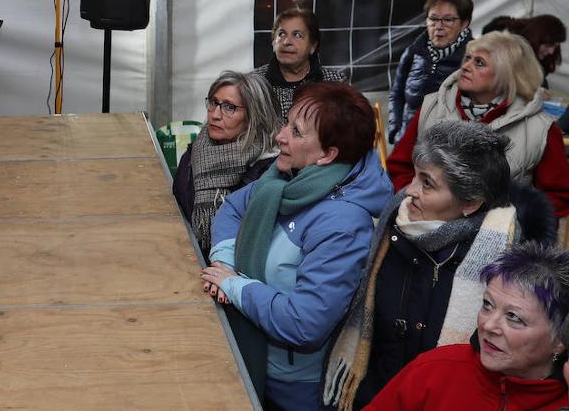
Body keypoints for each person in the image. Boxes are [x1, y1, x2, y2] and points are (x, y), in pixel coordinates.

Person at [323, 121, 557, 411]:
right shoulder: (394, 225)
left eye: (427, 183)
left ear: (469, 203)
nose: (409, 190)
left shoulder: (505, 264)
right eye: (415, 175)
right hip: (377, 396)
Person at [200, 82, 391, 410]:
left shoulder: (343, 225)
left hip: (292, 388)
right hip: (254, 355)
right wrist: (225, 261)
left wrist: (236, 286)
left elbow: (304, 323)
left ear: (328, 155)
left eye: (296, 131)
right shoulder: (286, 179)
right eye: (286, 123)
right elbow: (233, 208)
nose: (280, 136)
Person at [363, 242, 569, 410]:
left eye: (513, 317)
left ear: (560, 339)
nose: (488, 325)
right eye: (487, 305)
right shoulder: (434, 369)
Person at [387, 31, 569, 218]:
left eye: (479, 63)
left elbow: (559, 196)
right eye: (468, 58)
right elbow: (399, 166)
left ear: (506, 75)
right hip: (426, 230)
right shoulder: (432, 107)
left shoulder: (540, 130)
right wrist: (416, 200)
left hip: (499, 240)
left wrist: (512, 222)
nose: (465, 66)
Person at [172, 70, 281, 250]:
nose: (215, 114)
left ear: (255, 116)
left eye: (229, 107)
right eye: (214, 103)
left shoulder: (270, 169)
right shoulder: (194, 155)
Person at [387, 0, 474, 144]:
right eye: (433, 19)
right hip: (408, 143)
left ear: (464, 23)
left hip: (449, 149)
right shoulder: (414, 52)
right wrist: (396, 131)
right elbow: (397, 94)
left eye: (448, 20)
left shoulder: (473, 57)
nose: (438, 26)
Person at [252, 0, 346, 120]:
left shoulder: (336, 84)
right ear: (272, 41)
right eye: (281, 34)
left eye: (297, 35)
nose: (287, 42)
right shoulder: (255, 84)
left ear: (313, 46)